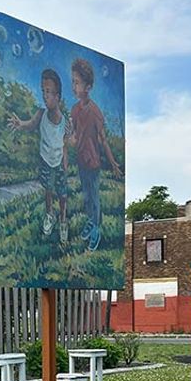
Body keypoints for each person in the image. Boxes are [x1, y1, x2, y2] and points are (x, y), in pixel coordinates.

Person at [8, 69, 69, 244]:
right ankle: (50, 214)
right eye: (43, 91)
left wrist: (65, 163)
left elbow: (66, 143)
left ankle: (63, 220)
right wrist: (20, 124)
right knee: (48, 190)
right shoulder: (41, 114)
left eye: (48, 92)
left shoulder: (64, 121)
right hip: (45, 160)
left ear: (57, 97)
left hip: (58, 163)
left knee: (63, 194)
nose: (45, 96)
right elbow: (30, 125)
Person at [68, 58, 122, 251]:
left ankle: (96, 229)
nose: (74, 86)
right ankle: (91, 221)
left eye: (77, 82)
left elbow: (103, 140)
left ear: (88, 87)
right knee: (86, 196)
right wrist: (70, 140)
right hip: (81, 161)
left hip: (93, 162)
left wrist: (113, 163)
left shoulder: (96, 112)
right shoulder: (74, 110)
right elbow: (74, 136)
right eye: (72, 81)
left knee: (95, 195)